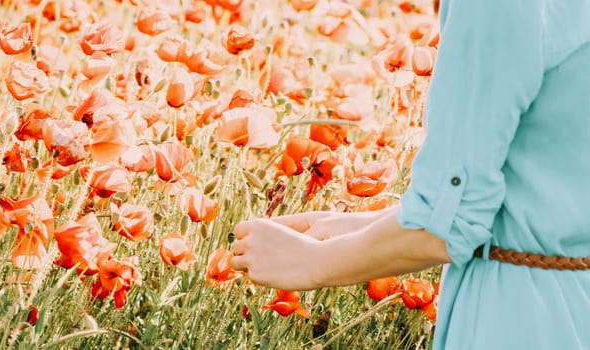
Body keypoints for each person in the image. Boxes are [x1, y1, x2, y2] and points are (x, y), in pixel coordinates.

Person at [230, 0, 590, 348]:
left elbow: (446, 226)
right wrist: (355, 225)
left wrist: (311, 261)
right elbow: (536, 190)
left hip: (515, 317)